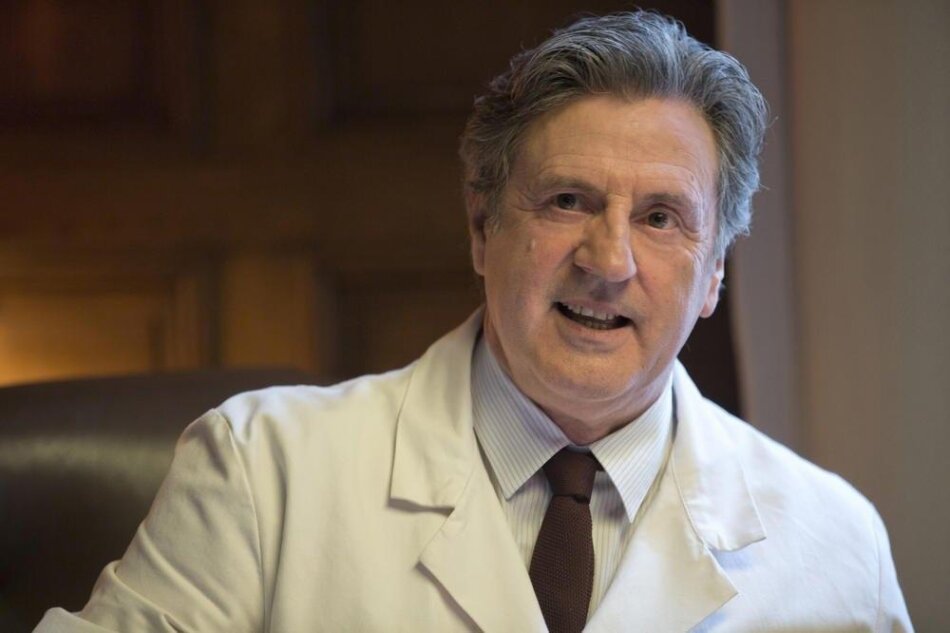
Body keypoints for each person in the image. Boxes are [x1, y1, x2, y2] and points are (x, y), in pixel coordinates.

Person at [36, 11, 912, 633]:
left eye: (660, 217)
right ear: (482, 227)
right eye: (567, 201)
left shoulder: (836, 545)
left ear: (714, 270)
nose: (609, 260)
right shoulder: (262, 472)